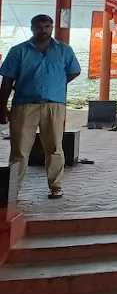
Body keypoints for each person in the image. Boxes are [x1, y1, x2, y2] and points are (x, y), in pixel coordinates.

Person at [0, 14, 81, 199]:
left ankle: (55, 185)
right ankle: (13, 190)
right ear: (32, 28)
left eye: (47, 26)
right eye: (39, 27)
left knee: (54, 147)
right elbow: (6, 81)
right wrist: (2, 107)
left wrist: (57, 85)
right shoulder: (18, 51)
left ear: (51, 28)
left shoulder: (64, 51)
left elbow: (73, 72)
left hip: (54, 106)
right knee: (19, 150)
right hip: (24, 105)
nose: (43, 30)